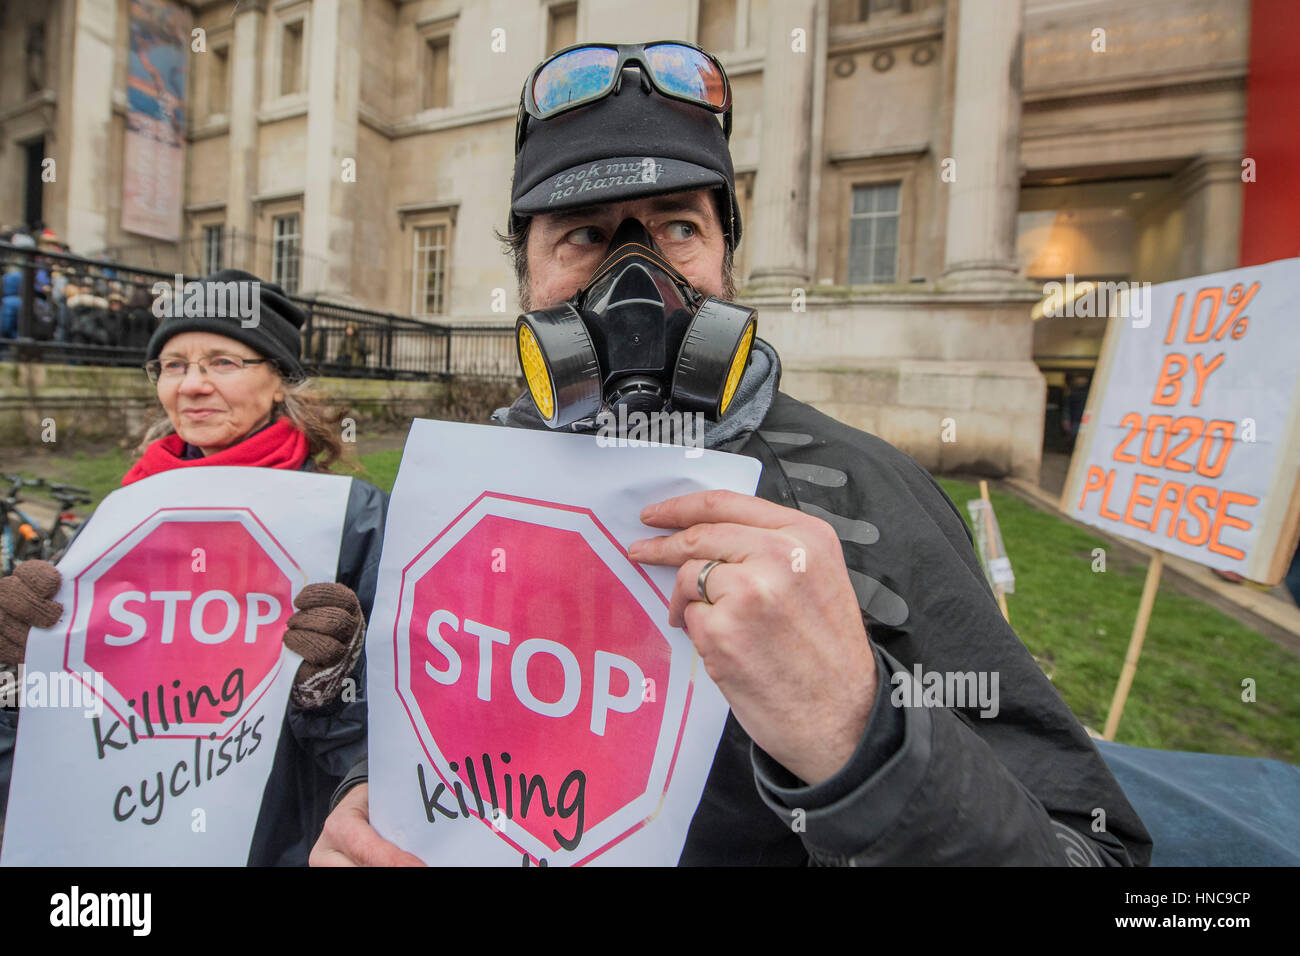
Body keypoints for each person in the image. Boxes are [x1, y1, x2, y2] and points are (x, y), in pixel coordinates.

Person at [312, 41, 1152, 866]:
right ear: (527, 274)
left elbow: (1093, 847)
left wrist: (861, 733)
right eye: (584, 235)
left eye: (679, 226)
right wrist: (372, 791)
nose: (636, 279)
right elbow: (429, 729)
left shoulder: (872, 492)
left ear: (727, 261)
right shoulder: (467, 488)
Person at [0, 270, 386, 865]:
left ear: (279, 379)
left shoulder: (348, 519)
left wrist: (331, 683)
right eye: (173, 365)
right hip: (122, 844)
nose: (192, 386)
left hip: (276, 839)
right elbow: (55, 726)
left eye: (222, 362)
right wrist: (15, 672)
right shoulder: (121, 513)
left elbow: (393, 734)